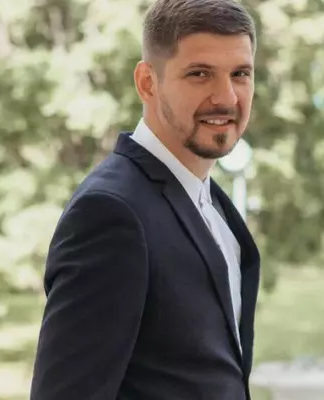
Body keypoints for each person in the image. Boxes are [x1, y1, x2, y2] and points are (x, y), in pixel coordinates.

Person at [29, 0, 261, 399]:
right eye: (200, 74)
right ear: (147, 83)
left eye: (240, 74)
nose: (226, 96)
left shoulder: (211, 201)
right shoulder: (110, 213)